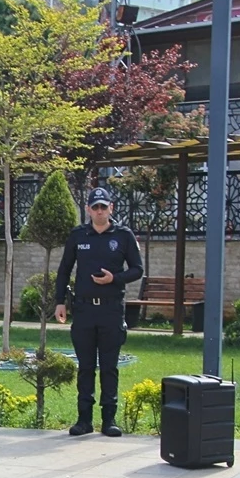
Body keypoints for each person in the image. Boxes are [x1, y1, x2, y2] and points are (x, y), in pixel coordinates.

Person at [54, 187, 144, 438]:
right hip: (83, 309)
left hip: (111, 309)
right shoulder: (78, 235)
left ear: (111, 208)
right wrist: (59, 301)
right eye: (95, 207)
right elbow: (64, 269)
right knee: (85, 367)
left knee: (109, 366)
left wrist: (114, 278)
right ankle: (84, 420)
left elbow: (137, 269)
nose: (100, 211)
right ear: (88, 210)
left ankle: (109, 419)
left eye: (104, 207)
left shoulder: (123, 235)